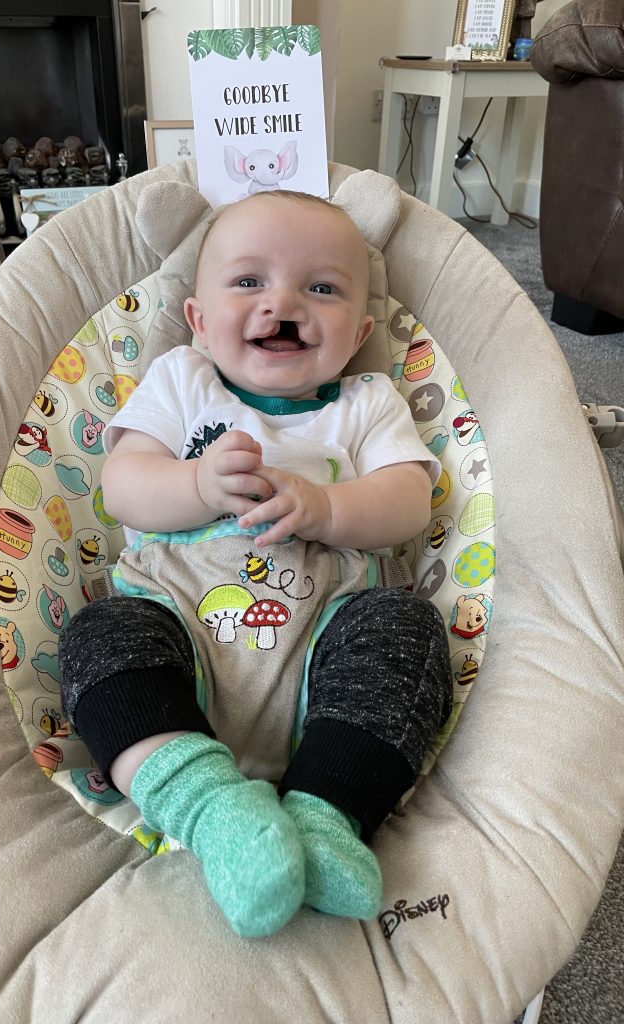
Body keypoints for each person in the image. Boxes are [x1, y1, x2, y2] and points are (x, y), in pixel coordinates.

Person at [58, 191, 452, 938]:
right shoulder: (183, 381)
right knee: (99, 634)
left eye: (322, 288)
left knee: (406, 627)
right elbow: (123, 487)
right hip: (178, 622)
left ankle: (327, 813)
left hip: (325, 643)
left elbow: (409, 502)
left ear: (360, 331)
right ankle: (213, 810)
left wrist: (330, 510)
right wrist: (197, 484)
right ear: (198, 320)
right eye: (248, 282)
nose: (284, 303)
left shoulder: (366, 403)